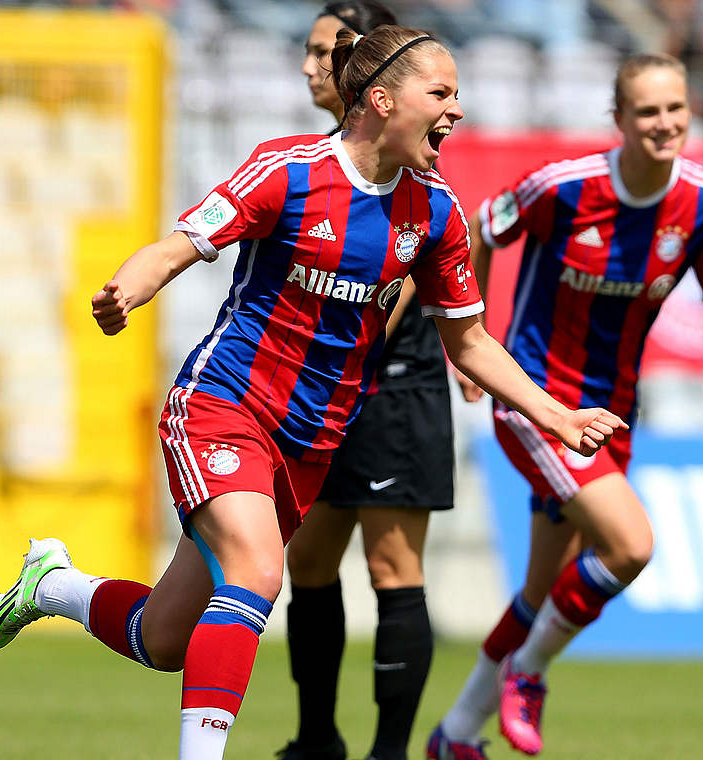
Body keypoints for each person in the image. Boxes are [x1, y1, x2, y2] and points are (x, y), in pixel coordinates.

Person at [0, 24, 626, 760]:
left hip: (309, 443)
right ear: (381, 100)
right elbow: (182, 243)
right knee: (255, 571)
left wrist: (555, 415)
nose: (458, 110)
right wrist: (131, 285)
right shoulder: (288, 170)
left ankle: (52, 585)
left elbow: (468, 341)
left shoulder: (435, 212)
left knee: (162, 639)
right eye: (441, 93)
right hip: (221, 407)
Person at [425, 53, 703, 760]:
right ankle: (530, 671)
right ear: (619, 119)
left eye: (675, 109)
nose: (664, 124)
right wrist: (471, 343)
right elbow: (484, 228)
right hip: (538, 401)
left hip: (614, 412)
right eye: (647, 111)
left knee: (540, 590)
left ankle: (454, 736)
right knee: (631, 545)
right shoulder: (565, 188)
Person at [281, 4, 455, 760]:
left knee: (392, 565)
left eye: (332, 50)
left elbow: (434, 255)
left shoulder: (414, 164)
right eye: (313, 50)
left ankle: (389, 752)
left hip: (391, 384)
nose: (316, 65)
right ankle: (316, 738)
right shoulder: (319, 163)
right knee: (308, 562)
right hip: (325, 386)